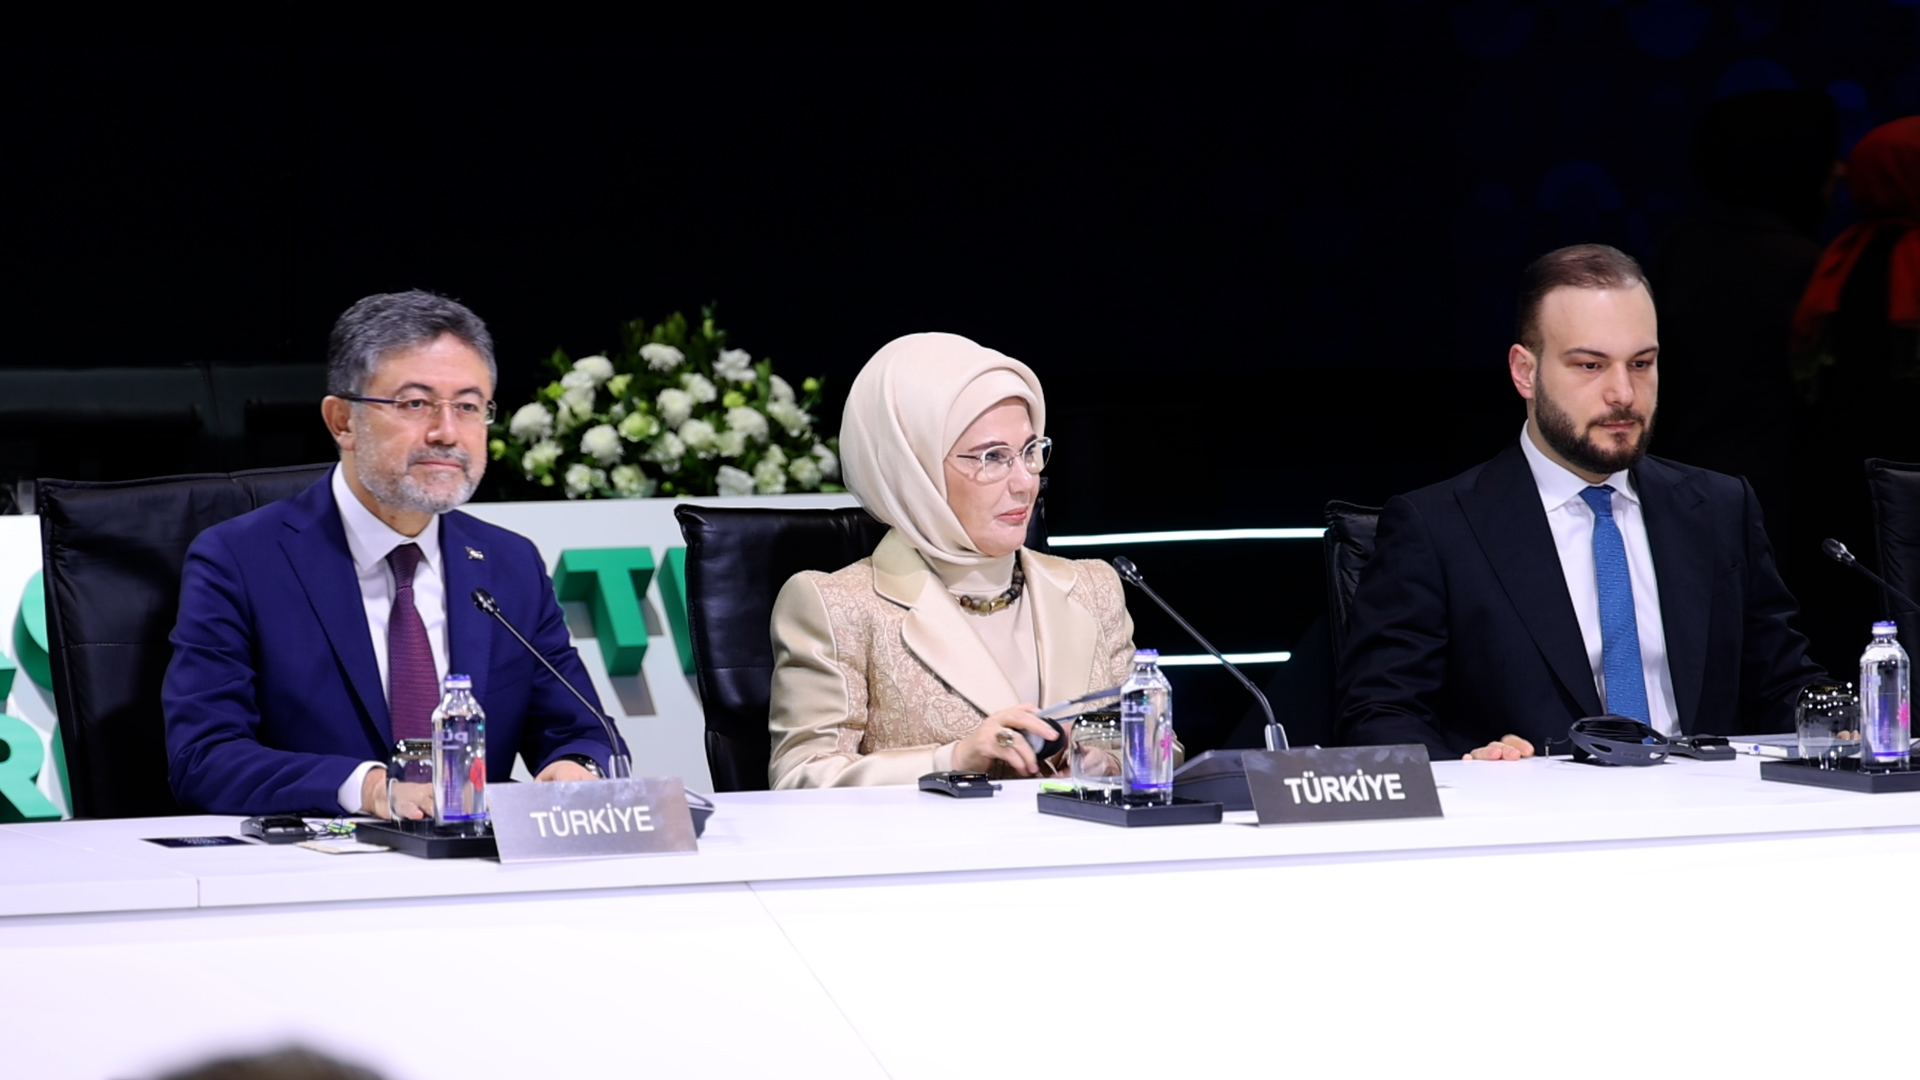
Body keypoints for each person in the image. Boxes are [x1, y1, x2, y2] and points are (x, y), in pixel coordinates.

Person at [1336, 244, 1824, 761]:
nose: (1623, 393)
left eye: (1641, 364)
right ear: (1525, 372)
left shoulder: (1720, 509)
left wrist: (1843, 724)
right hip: (1530, 807)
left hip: (1705, 801)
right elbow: (1381, 715)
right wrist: (1468, 775)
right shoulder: (1438, 529)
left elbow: (1784, 686)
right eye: (1591, 365)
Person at [164, 291, 612, 816]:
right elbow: (204, 758)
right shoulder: (239, 561)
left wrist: (578, 766)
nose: (447, 433)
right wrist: (370, 789)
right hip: (315, 860)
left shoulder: (509, 564)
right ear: (342, 422)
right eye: (415, 404)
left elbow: (582, 730)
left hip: (477, 860)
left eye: (468, 406)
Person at [768, 332, 1137, 788]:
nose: (1025, 482)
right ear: (913, 468)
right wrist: (954, 757)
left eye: (1030, 452)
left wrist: (1105, 765)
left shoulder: (1095, 588)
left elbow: (1157, 745)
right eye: (992, 457)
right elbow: (800, 778)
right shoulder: (836, 606)